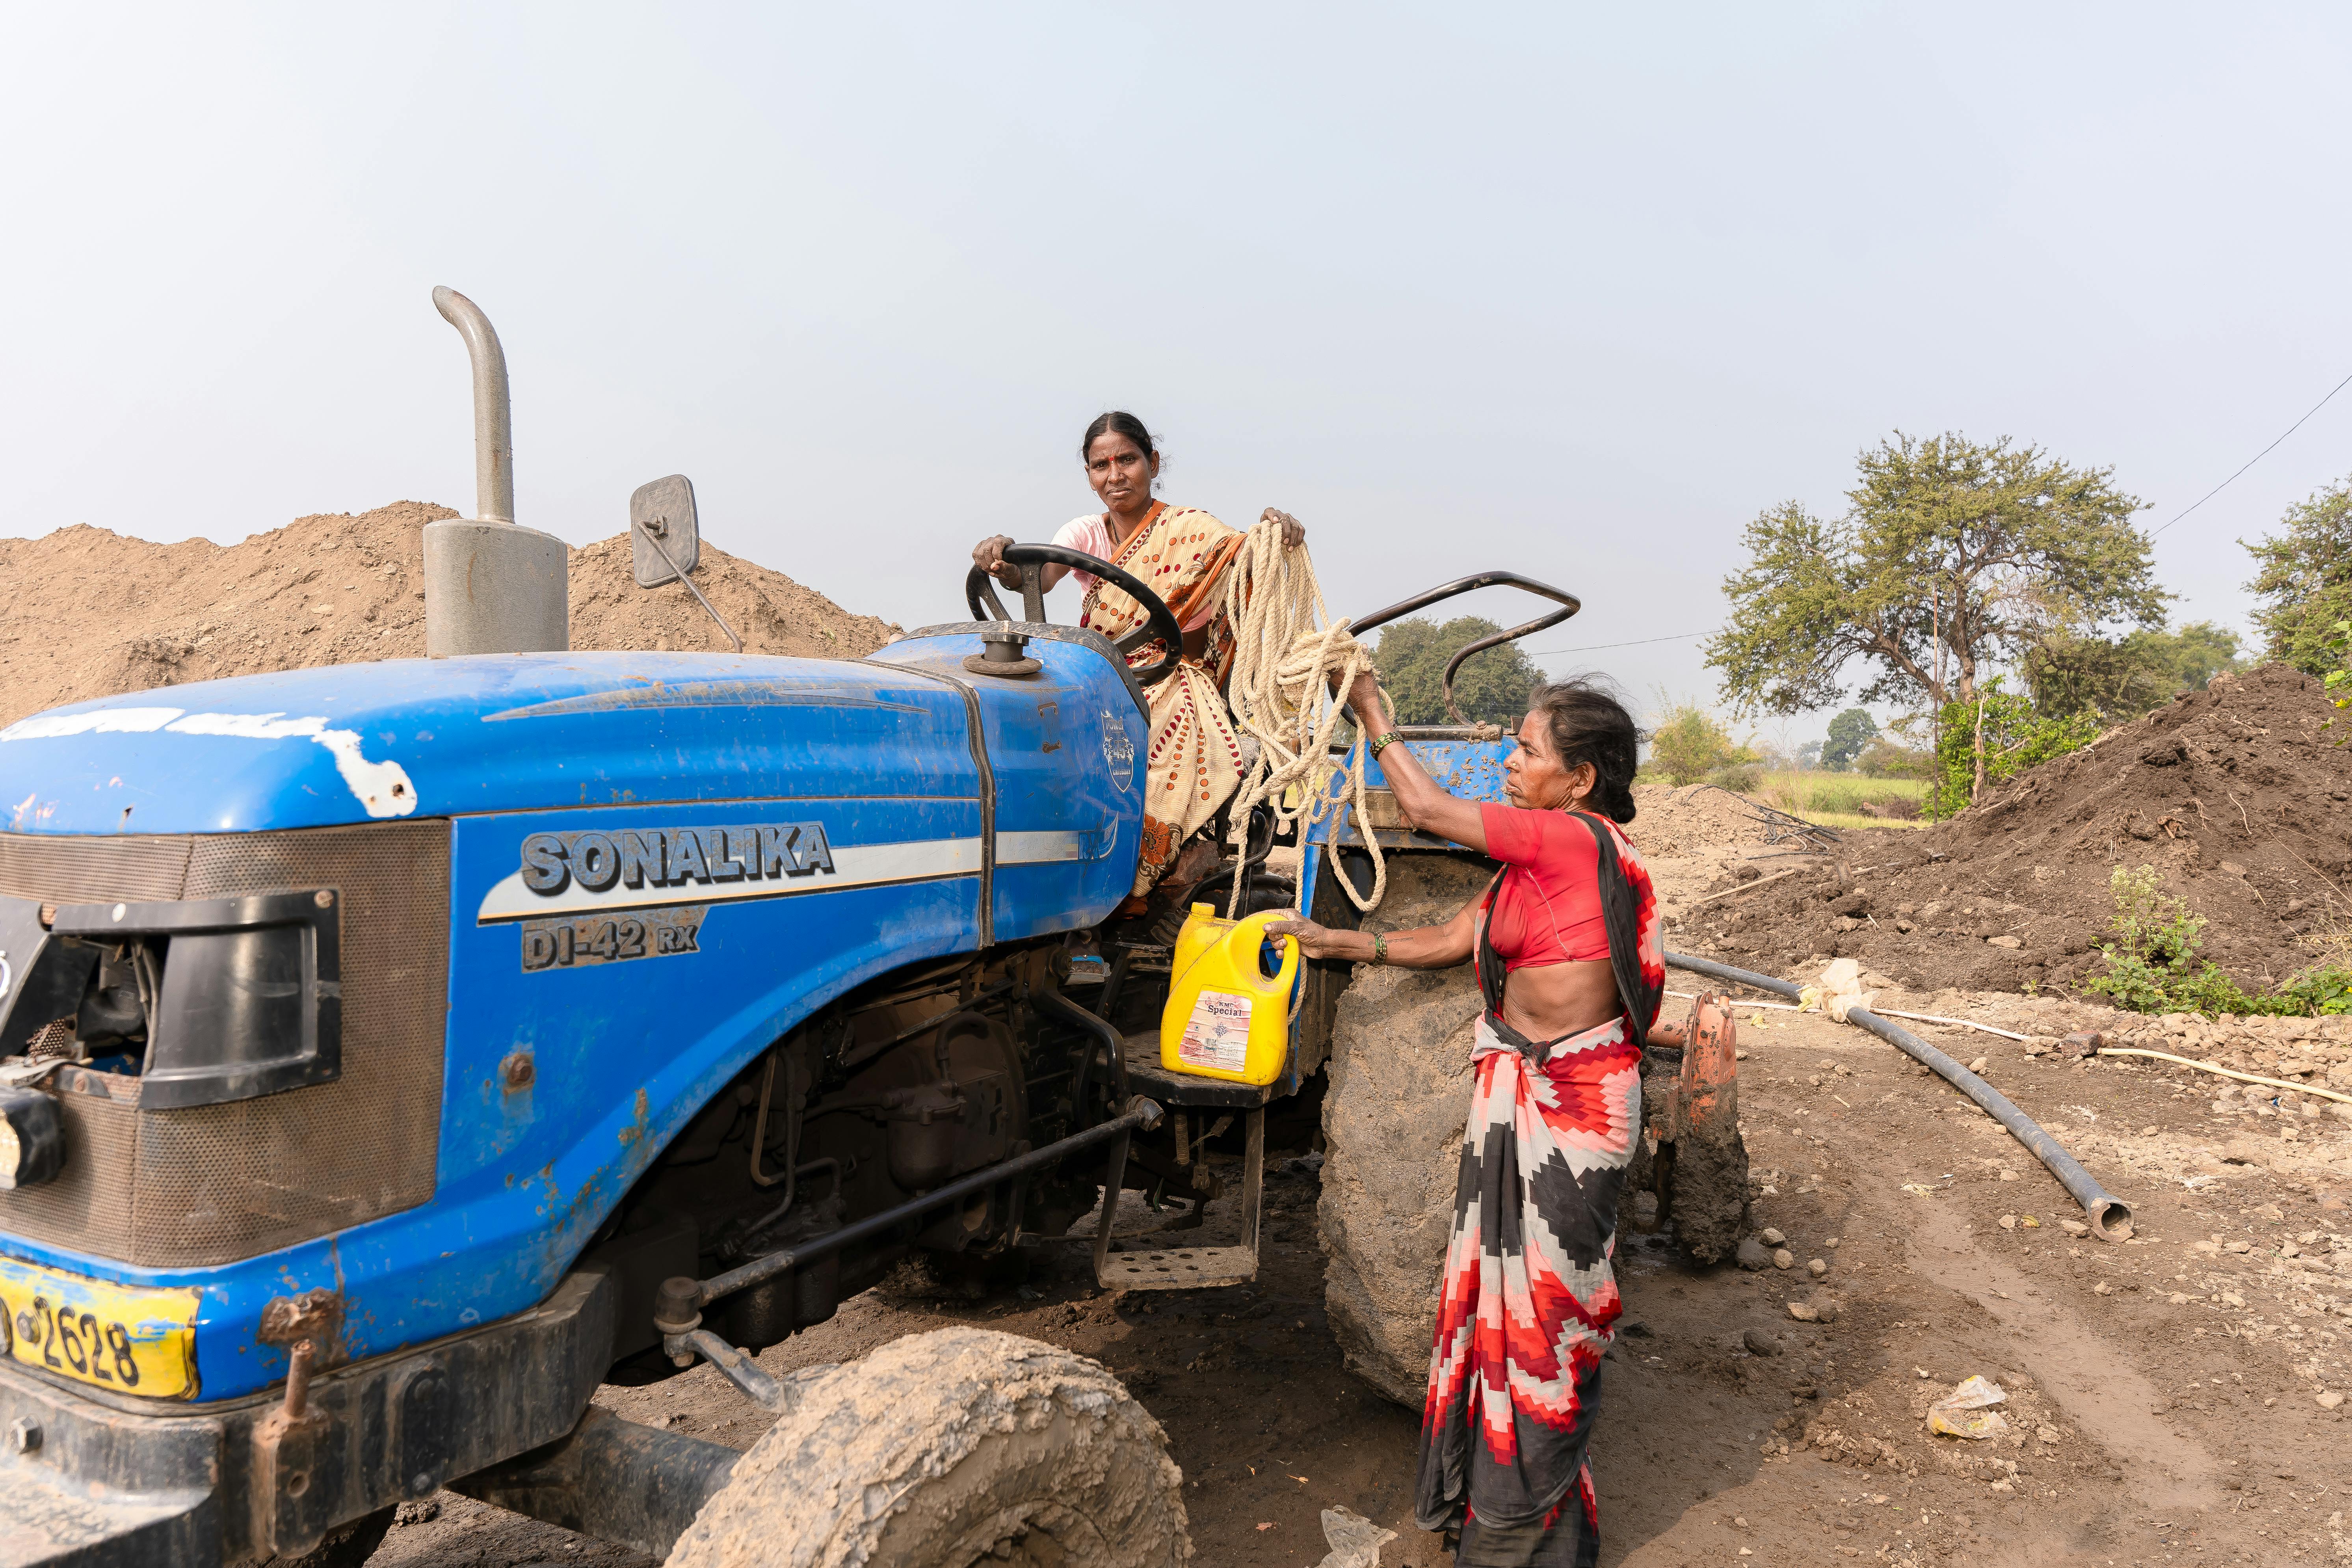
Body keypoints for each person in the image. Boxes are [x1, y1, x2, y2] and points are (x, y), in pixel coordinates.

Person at [1269, 676, 1660, 1568]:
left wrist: (1374, 713)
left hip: (1574, 1107)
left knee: (1546, 1328)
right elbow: (1450, 939)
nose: (1508, 762)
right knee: (1500, 1314)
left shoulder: (1572, 841)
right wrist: (1338, 944)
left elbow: (1422, 805)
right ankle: (1509, 1522)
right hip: (1525, 1092)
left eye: (1526, 751)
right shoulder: (1530, 873)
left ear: (1581, 779)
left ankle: (1522, 1541)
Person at [972, 411, 1303, 913]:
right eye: (1100, 465)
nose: (1115, 475)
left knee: (1142, 735)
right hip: (1101, 675)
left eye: (1126, 459)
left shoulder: (1191, 528)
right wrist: (1002, 561)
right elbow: (1035, 579)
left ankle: (1132, 879)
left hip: (1175, 677)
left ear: (1152, 461)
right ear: (1088, 475)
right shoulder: (1084, 534)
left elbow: (1241, 562)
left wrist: (1272, 534)